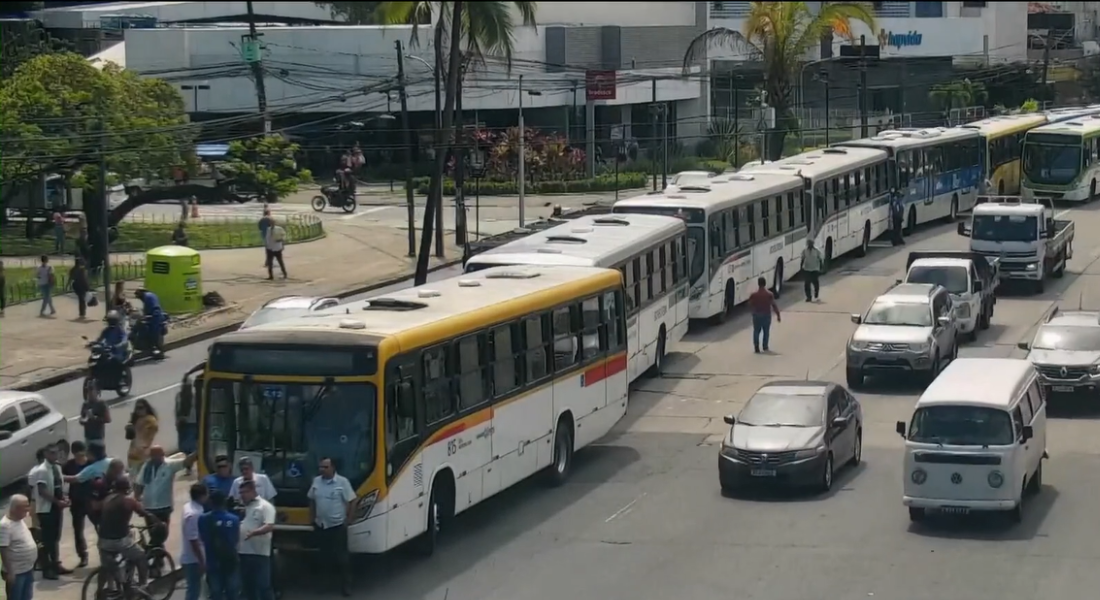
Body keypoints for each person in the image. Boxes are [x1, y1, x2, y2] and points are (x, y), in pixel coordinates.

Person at [97, 476, 160, 590]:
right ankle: (143, 586)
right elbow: (145, 513)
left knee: (106, 566)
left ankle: (101, 590)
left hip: (103, 540)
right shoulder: (128, 500)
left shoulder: (107, 499)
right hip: (119, 541)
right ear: (127, 488)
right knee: (141, 556)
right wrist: (157, 522)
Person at [134, 446, 198, 553]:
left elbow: (186, 462)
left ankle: (155, 553)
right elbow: (139, 484)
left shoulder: (170, 465)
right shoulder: (146, 466)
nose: (155, 458)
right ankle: (157, 557)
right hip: (149, 507)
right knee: (153, 534)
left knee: (162, 534)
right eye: (153, 455)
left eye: (158, 455)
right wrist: (137, 498)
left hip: (164, 507)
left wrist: (197, 452)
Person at [308, 458, 355, 596]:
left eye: (325, 467)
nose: (322, 469)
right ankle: (324, 585)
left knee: (342, 558)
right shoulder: (316, 481)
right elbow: (311, 499)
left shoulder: (342, 482)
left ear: (333, 467)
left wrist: (349, 519)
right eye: (320, 467)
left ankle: (346, 586)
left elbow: (352, 500)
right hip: (321, 525)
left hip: (337, 526)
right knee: (323, 557)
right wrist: (311, 518)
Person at [29, 444, 69, 579]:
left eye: (56, 453)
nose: (55, 455)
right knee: (47, 539)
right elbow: (42, 490)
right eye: (52, 453)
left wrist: (63, 498)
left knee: (55, 538)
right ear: (46, 454)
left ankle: (56, 564)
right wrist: (57, 502)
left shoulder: (57, 467)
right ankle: (47, 569)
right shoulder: (42, 470)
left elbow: (58, 486)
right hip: (46, 510)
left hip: (56, 507)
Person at [237, 481, 276, 600]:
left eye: (245, 492)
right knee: (247, 586)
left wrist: (254, 532)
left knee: (263, 585)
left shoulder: (265, 506)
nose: (242, 495)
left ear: (253, 491)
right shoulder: (244, 507)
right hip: (243, 552)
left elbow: (269, 525)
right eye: (241, 493)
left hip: (259, 553)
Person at [200, 490, 241, 600]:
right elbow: (236, 540)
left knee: (216, 592)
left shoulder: (203, 519)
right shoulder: (234, 519)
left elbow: (202, 538)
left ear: (211, 503)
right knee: (232, 592)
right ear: (224, 502)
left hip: (212, 561)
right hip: (230, 561)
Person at [61, 441, 92, 567]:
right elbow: (61, 478)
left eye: (82, 453)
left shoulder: (91, 463)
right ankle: (83, 555)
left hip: (91, 501)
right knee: (78, 530)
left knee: (100, 527)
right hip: (77, 502)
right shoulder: (69, 465)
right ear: (73, 453)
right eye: (77, 453)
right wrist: (64, 495)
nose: (80, 456)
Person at [0, 495, 37, 600]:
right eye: (25, 507)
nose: (27, 509)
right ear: (15, 508)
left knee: (26, 596)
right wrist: (10, 572)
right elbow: (3, 550)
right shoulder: (5, 526)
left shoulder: (19, 520)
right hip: (16, 573)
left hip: (27, 569)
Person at [181, 483, 208, 600]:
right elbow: (193, 540)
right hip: (193, 559)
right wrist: (201, 561)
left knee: (196, 588)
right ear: (201, 496)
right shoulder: (194, 514)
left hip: (191, 556)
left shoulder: (189, 507)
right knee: (193, 590)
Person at [748, 276, 781, 354]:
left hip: (756, 315)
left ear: (758, 284)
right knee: (766, 331)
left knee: (756, 331)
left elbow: (750, 304)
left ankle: (756, 347)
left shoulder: (754, 295)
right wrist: (778, 315)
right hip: (766, 315)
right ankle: (765, 346)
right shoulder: (769, 294)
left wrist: (753, 311)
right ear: (765, 284)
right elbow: (774, 305)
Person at [126, 399, 159, 478]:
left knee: (142, 478)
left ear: (146, 408)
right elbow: (130, 437)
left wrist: (135, 429)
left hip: (143, 454)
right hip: (133, 453)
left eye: (141, 408)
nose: (139, 410)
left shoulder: (150, 420)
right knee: (134, 478)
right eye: (137, 408)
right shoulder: (137, 420)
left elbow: (147, 435)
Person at [134, 287, 166, 357]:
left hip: (155, 316)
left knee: (153, 333)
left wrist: (146, 316)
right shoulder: (151, 295)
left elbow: (150, 309)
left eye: (138, 295)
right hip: (155, 315)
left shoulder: (147, 296)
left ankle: (154, 347)